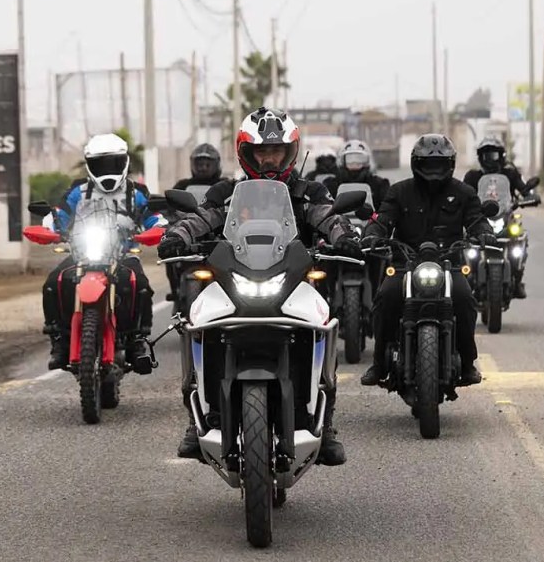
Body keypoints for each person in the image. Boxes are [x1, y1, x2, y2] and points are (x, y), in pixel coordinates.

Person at [158, 107, 361, 467]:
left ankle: (325, 425)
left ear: (290, 152)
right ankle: (195, 420)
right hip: (237, 277)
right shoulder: (226, 192)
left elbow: (329, 218)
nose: (269, 159)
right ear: (246, 154)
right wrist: (176, 235)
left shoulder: (309, 192)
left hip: (294, 280)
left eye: (276, 151)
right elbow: (200, 217)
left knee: (324, 324)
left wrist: (345, 237)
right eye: (262, 152)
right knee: (196, 322)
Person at [360, 134, 495, 388]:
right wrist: (373, 234)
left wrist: (484, 233)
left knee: (465, 299)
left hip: (449, 266)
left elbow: (477, 219)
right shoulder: (399, 192)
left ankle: (468, 363)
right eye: (428, 163)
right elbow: (382, 219)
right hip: (405, 264)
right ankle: (379, 364)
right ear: (416, 163)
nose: (434, 170)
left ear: (450, 164)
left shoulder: (464, 193)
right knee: (386, 297)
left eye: (440, 164)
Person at [41, 133, 163, 374]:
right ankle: (60, 340)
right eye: (101, 164)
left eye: (114, 163)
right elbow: (58, 215)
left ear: (124, 162)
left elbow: (154, 217)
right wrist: (51, 228)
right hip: (83, 255)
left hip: (124, 254)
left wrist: (158, 228)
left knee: (141, 285)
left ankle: (137, 341)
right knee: (53, 283)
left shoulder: (136, 192)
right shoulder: (78, 192)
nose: (108, 170)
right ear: (90, 165)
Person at [462, 136, 540, 298]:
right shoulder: (472, 176)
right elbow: (463, 193)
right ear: (480, 157)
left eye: (493, 155)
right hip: (481, 219)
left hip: (505, 217)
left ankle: (517, 279)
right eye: (486, 155)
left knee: (519, 237)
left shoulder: (510, 174)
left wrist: (531, 196)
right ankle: (467, 278)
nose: (490, 159)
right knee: (464, 240)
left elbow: (524, 190)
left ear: (502, 156)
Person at [165, 143, 227, 302]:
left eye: (207, 164)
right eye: (199, 164)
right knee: (169, 251)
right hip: (189, 235)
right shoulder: (182, 185)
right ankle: (175, 289)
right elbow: (170, 207)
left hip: (219, 236)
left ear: (217, 164)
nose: (203, 168)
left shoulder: (224, 185)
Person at [327, 139, 391, 210]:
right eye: (350, 159)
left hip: (372, 217)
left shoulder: (379, 184)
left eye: (359, 158)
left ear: (367, 161)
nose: (354, 163)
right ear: (342, 161)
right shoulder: (332, 184)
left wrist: (373, 214)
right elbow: (324, 209)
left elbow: (387, 211)